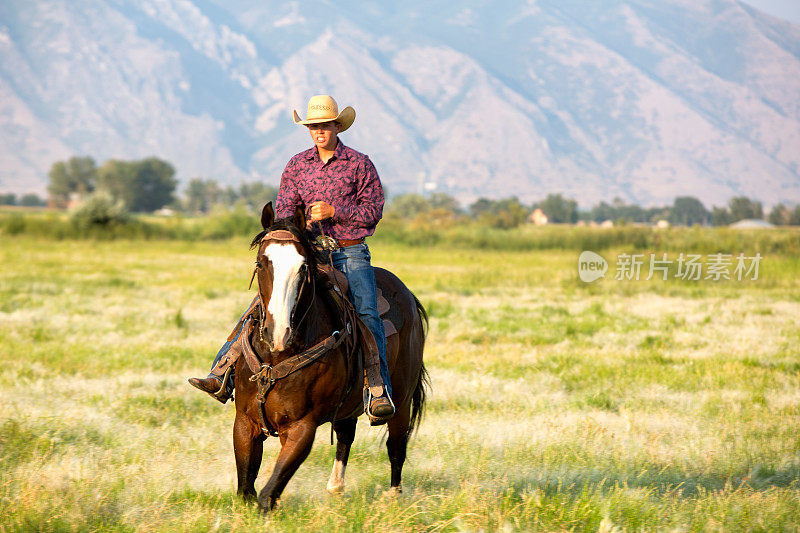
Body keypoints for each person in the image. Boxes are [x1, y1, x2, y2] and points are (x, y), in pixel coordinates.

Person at [188, 94, 395, 421]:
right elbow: (284, 207)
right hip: (307, 250)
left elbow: (374, 211)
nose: (318, 131)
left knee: (367, 310)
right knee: (266, 302)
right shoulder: (297, 165)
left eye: (324, 126)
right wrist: (297, 225)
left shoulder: (360, 164)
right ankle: (222, 371)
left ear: (337, 126)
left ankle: (377, 389)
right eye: (313, 126)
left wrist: (334, 211)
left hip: (349, 249)